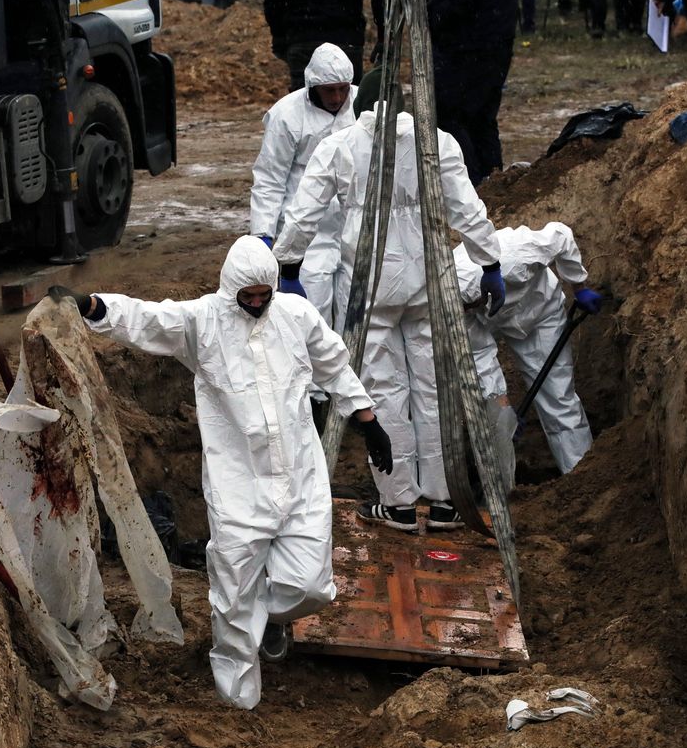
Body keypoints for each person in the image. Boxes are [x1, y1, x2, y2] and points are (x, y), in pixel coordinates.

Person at [50, 236, 392, 711]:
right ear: (230, 288)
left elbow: (333, 364)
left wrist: (366, 419)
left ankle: (269, 620)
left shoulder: (296, 317)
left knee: (310, 588)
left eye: (262, 297)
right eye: (246, 297)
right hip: (237, 485)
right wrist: (92, 305)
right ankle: (237, 706)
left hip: (299, 476)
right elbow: (147, 318)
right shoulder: (202, 321)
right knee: (232, 599)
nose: (255, 305)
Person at [273, 69, 505, 533]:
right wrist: (490, 262)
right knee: (433, 388)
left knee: (383, 391)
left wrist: (289, 267)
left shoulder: (340, 146)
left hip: (370, 283)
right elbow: (466, 208)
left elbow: (303, 214)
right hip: (425, 278)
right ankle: (444, 501)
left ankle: (397, 502)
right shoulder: (435, 142)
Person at [453, 223, 603, 474]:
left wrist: (579, 286)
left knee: (558, 399)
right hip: (495, 322)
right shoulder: (458, 303)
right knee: (495, 418)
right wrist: (503, 409)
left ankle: (581, 476)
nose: (468, 310)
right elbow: (480, 357)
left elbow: (562, 236)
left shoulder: (518, 254)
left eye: (472, 305)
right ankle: (502, 489)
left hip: (542, 313)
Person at [250, 43, 358, 331]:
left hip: (354, 229)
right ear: (313, 86)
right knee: (312, 316)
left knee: (356, 315)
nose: (337, 97)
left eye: (342, 89)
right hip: (308, 234)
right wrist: (264, 233)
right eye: (329, 90)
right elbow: (270, 178)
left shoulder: (362, 106)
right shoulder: (287, 115)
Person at [427, 0, 519, 185]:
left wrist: (434, 16)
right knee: (480, 117)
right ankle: (493, 185)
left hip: (472, 42)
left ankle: (471, 186)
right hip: (488, 36)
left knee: (452, 115)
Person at [263, 0, 385, 91]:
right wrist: (383, 35)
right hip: (345, 36)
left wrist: (279, 36)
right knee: (347, 103)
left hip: (304, 36)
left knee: (305, 104)